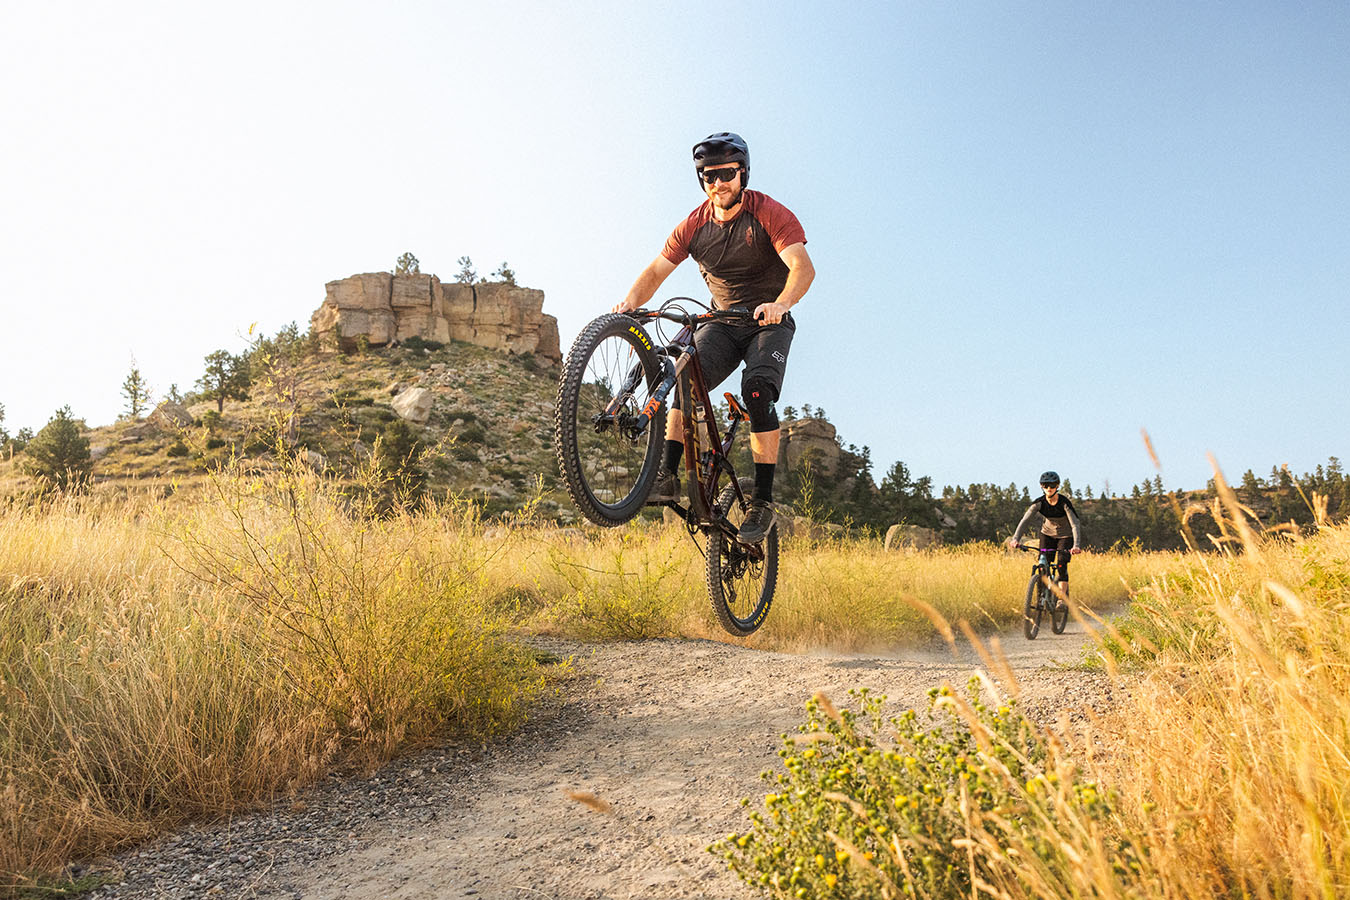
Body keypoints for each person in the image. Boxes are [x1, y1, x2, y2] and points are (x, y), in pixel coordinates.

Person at [613, 132, 815, 543]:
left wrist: (781, 303)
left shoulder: (769, 213)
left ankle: (761, 502)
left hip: (767, 321)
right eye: (709, 176)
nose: (718, 183)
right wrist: (628, 305)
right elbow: (656, 271)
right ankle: (667, 475)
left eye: (726, 174)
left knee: (757, 390)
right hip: (720, 322)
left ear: (742, 173)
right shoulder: (694, 224)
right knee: (686, 377)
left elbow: (802, 268)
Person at [1006, 471, 1083, 598]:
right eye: (1045, 485)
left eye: (1052, 485)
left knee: (1061, 564)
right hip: (1047, 534)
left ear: (1057, 486)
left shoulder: (1064, 503)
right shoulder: (1039, 503)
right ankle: (1042, 596)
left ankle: (1062, 599)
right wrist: (1015, 539)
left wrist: (1076, 545)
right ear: (1042, 486)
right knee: (1043, 562)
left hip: (1065, 536)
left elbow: (1075, 524)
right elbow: (1025, 521)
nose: (1049, 488)